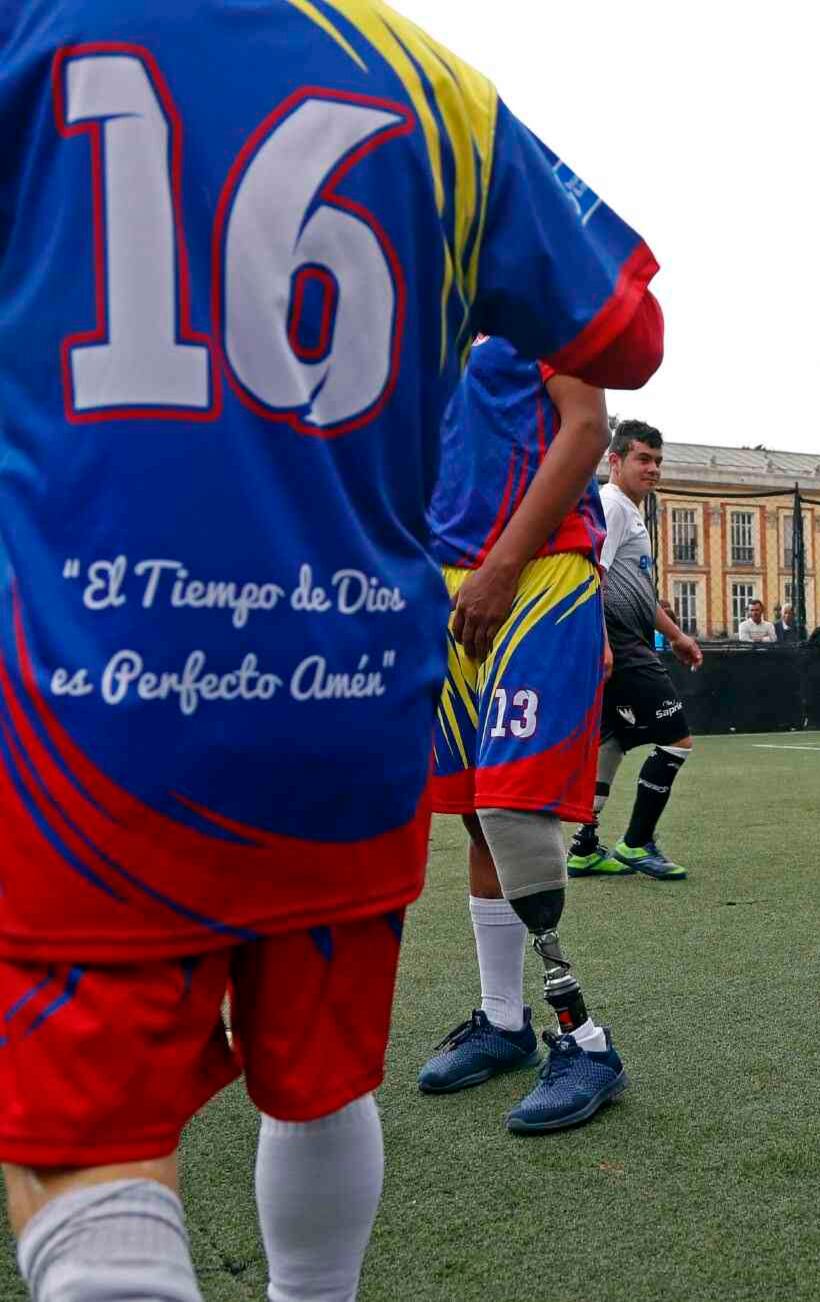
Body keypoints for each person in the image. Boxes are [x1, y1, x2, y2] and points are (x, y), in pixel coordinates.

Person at [0, 1, 664, 1295]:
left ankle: (555, 1016)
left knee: (86, 1147)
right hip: (350, 684)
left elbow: (600, 389)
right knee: (323, 1072)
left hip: (104, 699)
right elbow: (629, 324)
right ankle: (508, 1023)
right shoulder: (438, 90)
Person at [424, 333, 648, 1136]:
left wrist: (505, 565)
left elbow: (587, 427)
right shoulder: (430, 318)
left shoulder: (541, 295)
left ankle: (584, 1040)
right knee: (478, 814)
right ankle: (504, 1019)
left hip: (535, 570)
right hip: (449, 579)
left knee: (516, 813)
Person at [566, 421, 701, 884]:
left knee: (613, 742)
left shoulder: (629, 511)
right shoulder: (613, 506)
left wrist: (678, 636)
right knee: (676, 739)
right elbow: (591, 577)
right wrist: (601, 642)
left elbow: (640, 591)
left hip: (629, 640)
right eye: (644, 459)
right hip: (620, 644)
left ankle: (583, 848)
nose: (653, 469)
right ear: (615, 461)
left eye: (658, 461)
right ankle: (637, 842)